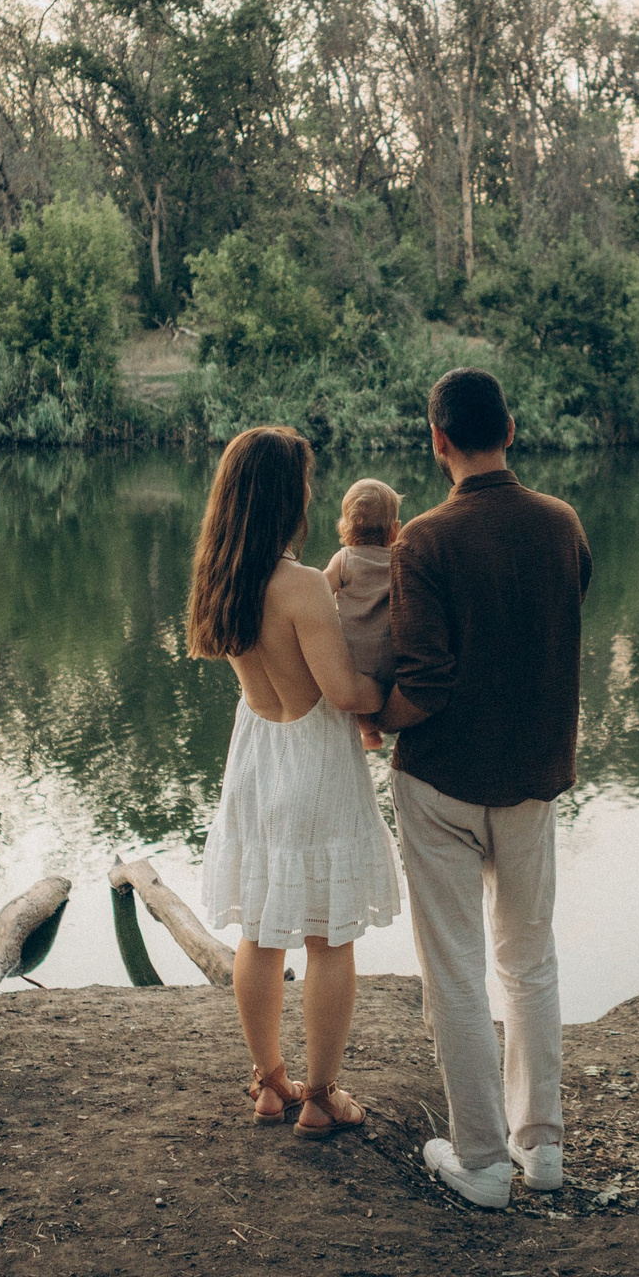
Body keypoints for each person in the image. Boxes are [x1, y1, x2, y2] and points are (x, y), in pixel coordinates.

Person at [376, 368, 591, 1209]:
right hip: (532, 780)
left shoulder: (423, 540)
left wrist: (373, 716)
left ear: (438, 442)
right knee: (529, 960)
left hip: (443, 781)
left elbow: (422, 682)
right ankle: (542, 1150)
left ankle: (482, 1162)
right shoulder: (563, 525)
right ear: (512, 424)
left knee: (457, 970)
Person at [190, 426, 400, 1137]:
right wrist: (399, 685)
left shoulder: (222, 579)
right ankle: (320, 1093)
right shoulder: (303, 586)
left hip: (256, 751)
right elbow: (345, 692)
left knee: (260, 927)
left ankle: (269, 1082)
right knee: (326, 935)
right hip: (312, 759)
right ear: (290, 496)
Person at [324, 478, 402, 753]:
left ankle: (369, 733)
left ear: (345, 528)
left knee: (359, 705)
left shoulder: (344, 559)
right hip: (392, 658)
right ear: (395, 531)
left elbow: (320, 593)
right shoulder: (398, 561)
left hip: (354, 660)